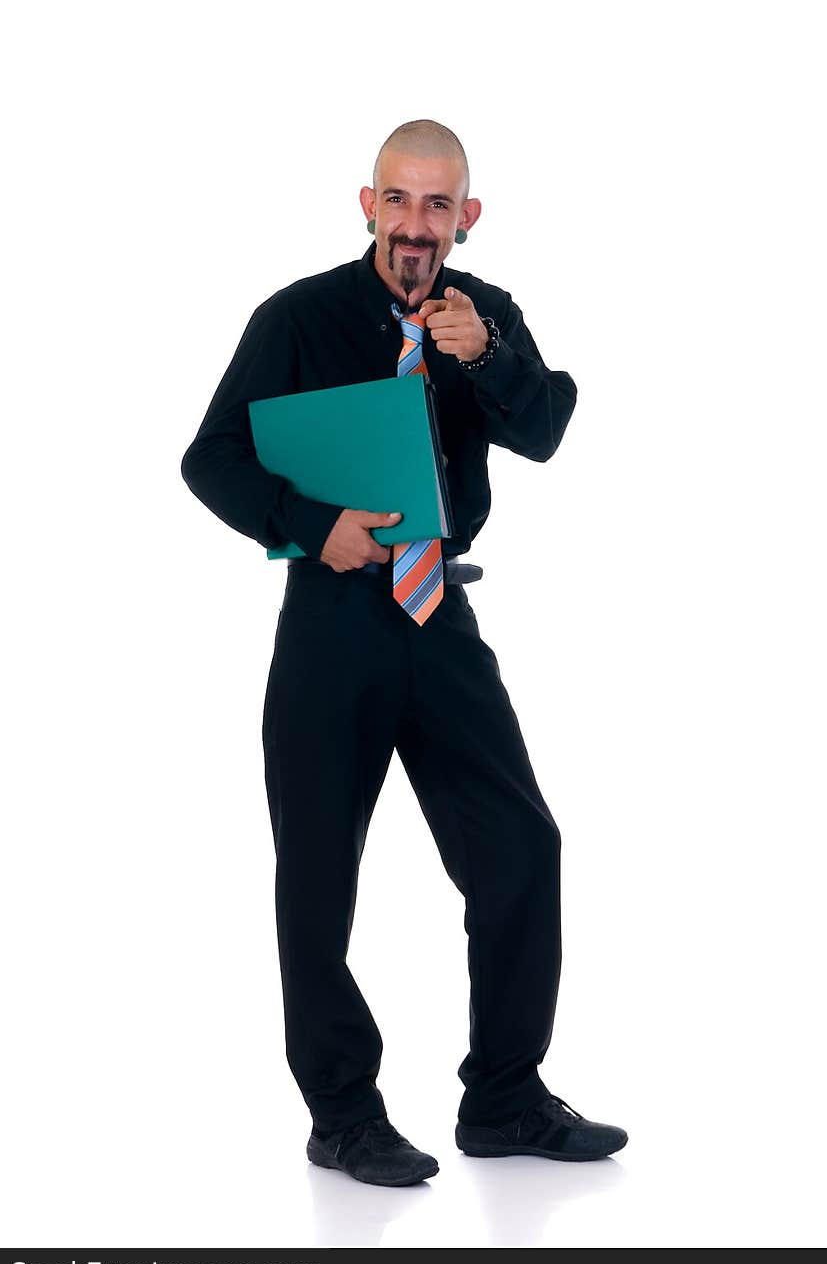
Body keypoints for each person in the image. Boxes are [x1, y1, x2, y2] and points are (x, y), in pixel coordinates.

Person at [180, 119, 628, 1187]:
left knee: (520, 846)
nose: (416, 225)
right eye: (399, 200)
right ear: (367, 203)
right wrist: (304, 520)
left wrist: (491, 357)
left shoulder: (486, 316)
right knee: (320, 875)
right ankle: (341, 1114)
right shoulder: (296, 317)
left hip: (442, 618)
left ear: (465, 218)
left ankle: (506, 1099)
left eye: (439, 206)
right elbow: (209, 456)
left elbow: (548, 427)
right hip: (332, 621)